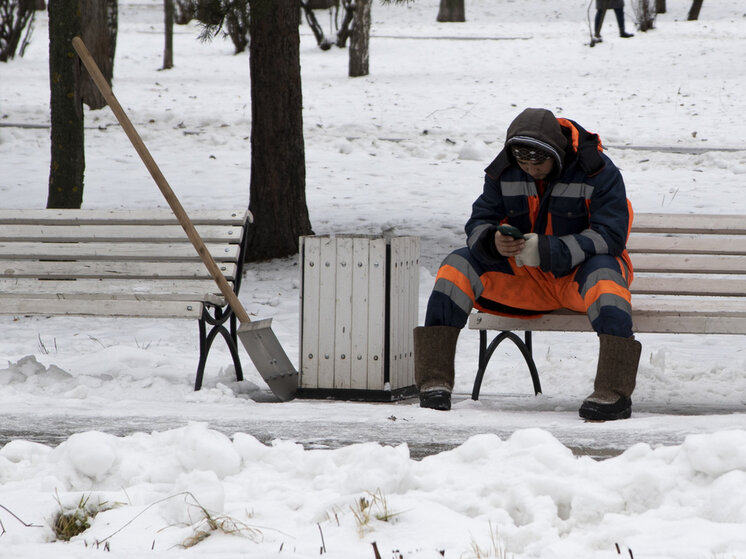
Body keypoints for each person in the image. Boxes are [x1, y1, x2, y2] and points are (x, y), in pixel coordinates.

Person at [414, 107, 642, 421]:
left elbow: (611, 236)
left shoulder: (599, 171)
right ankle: (433, 382)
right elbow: (479, 222)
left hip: (578, 278)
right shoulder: (502, 171)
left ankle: (613, 393)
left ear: (557, 154)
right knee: (457, 265)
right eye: (523, 163)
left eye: (538, 163)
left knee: (607, 277)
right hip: (526, 280)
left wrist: (550, 249)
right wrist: (491, 241)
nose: (530, 169)